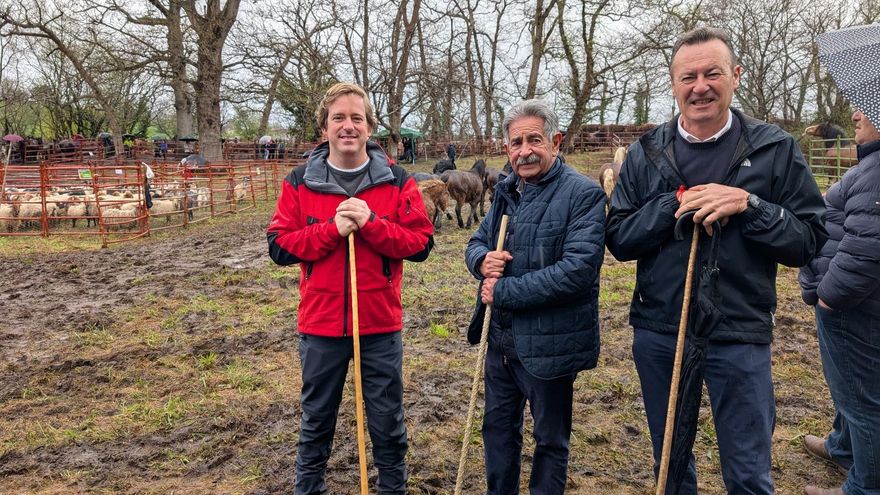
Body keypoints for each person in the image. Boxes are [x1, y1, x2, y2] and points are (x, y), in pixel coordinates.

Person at [605, 27, 827, 494]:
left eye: (713, 73)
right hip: (662, 329)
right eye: (688, 76)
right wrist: (672, 205)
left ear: (736, 77)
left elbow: (808, 240)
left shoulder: (774, 148)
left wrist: (751, 205)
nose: (700, 86)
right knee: (669, 463)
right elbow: (620, 239)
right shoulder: (647, 153)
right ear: (673, 83)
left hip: (739, 331)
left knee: (747, 471)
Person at [266, 82, 434, 495]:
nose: (347, 126)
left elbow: (421, 244)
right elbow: (280, 246)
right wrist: (332, 231)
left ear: (369, 127)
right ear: (324, 128)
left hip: (379, 325)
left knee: (386, 419)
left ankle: (392, 489)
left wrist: (371, 224)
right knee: (317, 419)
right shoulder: (299, 181)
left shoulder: (396, 180)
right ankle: (309, 489)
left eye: (356, 118)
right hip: (321, 325)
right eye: (338, 118)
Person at [464, 99, 607, 494]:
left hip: (551, 344)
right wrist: (481, 261)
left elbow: (577, 272)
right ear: (506, 149)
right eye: (516, 143)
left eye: (534, 140)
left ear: (555, 142)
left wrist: (503, 289)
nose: (524, 151)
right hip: (501, 341)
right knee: (497, 430)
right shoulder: (507, 190)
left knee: (550, 439)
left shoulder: (583, 195)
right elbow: (477, 241)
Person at [798, 108, 880, 495]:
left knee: (862, 397)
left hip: (855, 305)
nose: (856, 113)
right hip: (855, 301)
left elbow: (868, 248)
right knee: (851, 384)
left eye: (867, 108)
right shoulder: (873, 162)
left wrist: (829, 296)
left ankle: (865, 487)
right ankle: (843, 447)